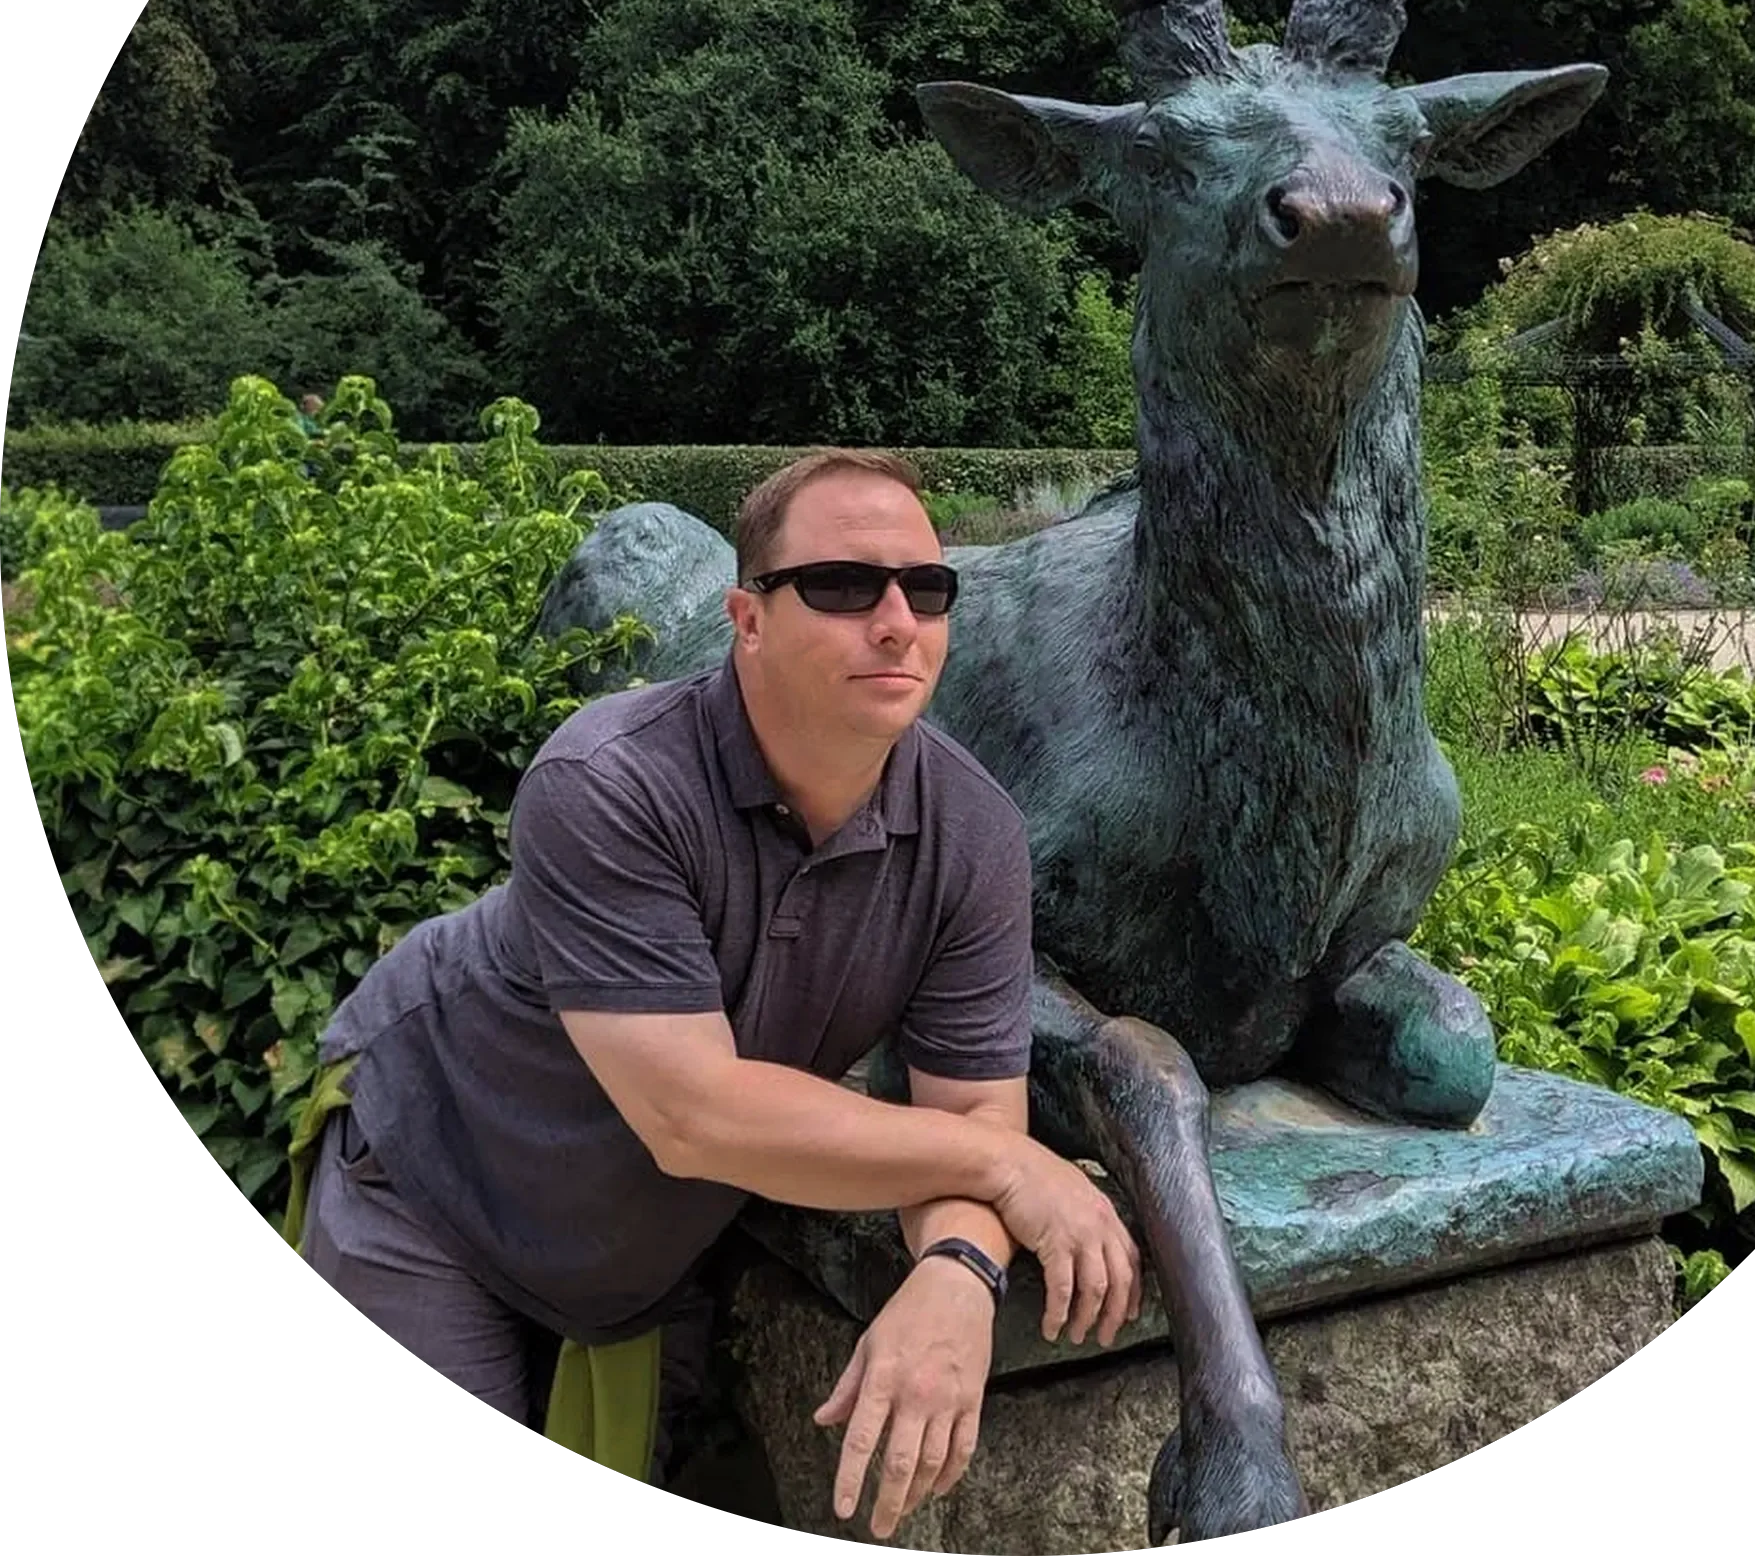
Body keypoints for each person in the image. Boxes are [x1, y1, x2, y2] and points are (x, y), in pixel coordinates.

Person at [296, 448, 1140, 1539]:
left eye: (926, 588)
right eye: (842, 586)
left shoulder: (974, 833)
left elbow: (972, 1110)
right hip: (434, 1177)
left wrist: (959, 1266)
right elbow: (691, 1112)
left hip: (629, 1257)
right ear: (747, 618)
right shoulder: (609, 778)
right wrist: (1011, 1169)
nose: (895, 622)